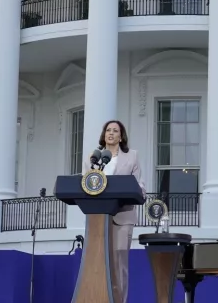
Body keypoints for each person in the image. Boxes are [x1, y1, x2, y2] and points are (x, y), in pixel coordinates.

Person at [83, 120, 145, 303]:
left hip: (122, 216)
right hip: (97, 217)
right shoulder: (93, 158)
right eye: (108, 130)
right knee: (97, 261)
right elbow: (85, 183)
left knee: (119, 265)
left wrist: (139, 191)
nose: (111, 133)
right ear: (104, 134)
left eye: (115, 131)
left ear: (121, 136)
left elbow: (139, 184)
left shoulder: (132, 156)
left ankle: (119, 300)